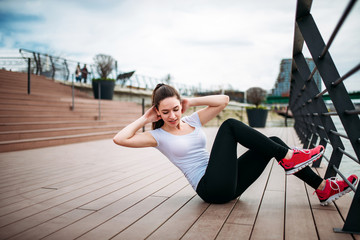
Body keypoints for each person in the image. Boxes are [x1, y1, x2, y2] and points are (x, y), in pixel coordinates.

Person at [113, 83, 358, 205]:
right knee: (230, 125)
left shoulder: (192, 120)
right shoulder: (158, 137)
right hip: (210, 188)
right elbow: (120, 139)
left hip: (229, 183)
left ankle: (323, 188)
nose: (173, 116)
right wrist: (145, 119)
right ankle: (290, 156)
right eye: (165, 112)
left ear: (180, 105)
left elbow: (224, 100)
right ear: (158, 111)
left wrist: (191, 100)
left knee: (271, 142)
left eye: (175, 108)